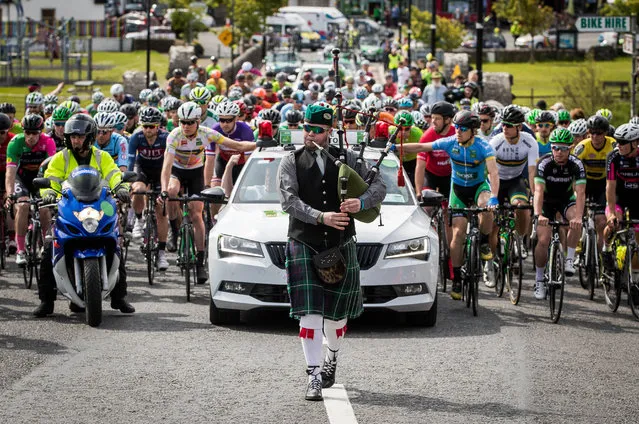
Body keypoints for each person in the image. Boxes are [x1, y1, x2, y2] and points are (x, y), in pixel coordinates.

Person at [277, 102, 386, 401]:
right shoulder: (291, 161)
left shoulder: (348, 158)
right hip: (303, 241)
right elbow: (289, 201)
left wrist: (360, 203)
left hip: (340, 243)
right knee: (309, 314)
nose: (311, 135)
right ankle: (313, 374)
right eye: (307, 129)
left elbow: (380, 186)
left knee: (336, 317)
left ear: (329, 131)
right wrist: (321, 216)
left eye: (318, 130)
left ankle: (331, 357)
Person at [34, 114, 135, 317]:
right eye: (72, 136)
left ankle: (120, 296)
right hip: (70, 207)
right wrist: (49, 193)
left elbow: (115, 174)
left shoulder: (102, 157)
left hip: (100, 206)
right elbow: (50, 178)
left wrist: (122, 188)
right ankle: (46, 300)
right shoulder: (61, 157)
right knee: (48, 248)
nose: (75, 140)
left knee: (115, 241)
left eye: (79, 136)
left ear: (89, 137)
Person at [403, 110, 499, 300]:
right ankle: (456, 277)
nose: (458, 131)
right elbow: (422, 146)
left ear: (473, 131)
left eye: (462, 129)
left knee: (486, 207)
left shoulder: (483, 147)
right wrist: (397, 147)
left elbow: (494, 173)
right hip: (458, 191)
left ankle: (484, 241)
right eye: (456, 127)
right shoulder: (450, 143)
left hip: (479, 187)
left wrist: (495, 197)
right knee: (457, 232)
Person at [158, 102, 257, 283]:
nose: (186, 126)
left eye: (190, 122)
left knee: (196, 213)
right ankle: (174, 232)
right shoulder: (174, 135)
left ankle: (200, 263)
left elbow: (238, 145)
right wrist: (164, 191)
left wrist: (259, 143)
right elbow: (166, 167)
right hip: (178, 171)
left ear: (198, 121)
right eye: (182, 122)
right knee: (172, 192)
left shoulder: (207, 133)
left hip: (196, 172)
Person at [533, 128, 586, 299]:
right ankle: (539, 280)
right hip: (546, 202)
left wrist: (578, 217)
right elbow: (538, 192)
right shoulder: (544, 163)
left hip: (565, 199)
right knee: (543, 239)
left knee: (577, 219)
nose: (559, 152)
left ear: (570, 148)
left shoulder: (576, 164)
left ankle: (569, 258)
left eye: (563, 148)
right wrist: (538, 214)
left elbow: (581, 192)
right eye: (555, 147)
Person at [488, 105, 538, 285]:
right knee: (492, 224)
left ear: (519, 127)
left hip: (515, 181)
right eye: (503, 124)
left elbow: (532, 172)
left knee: (522, 208)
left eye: (509, 125)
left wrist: (533, 195)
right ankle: (489, 264)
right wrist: (493, 196)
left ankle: (519, 240)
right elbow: (491, 172)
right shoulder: (496, 142)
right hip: (496, 181)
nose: (504, 128)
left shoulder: (530, 141)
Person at [5, 114, 56, 265]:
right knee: (22, 205)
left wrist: (53, 192)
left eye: (35, 133)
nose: (31, 136)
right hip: (22, 179)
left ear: (41, 132)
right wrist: (10, 194)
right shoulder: (15, 142)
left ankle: (45, 245)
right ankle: (20, 250)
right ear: (23, 131)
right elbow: (10, 172)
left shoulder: (48, 142)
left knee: (44, 209)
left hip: (41, 179)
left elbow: (53, 171)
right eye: (28, 132)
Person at [127, 107, 170, 268]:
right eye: (145, 126)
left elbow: (170, 161)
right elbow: (131, 162)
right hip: (142, 168)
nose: (147, 130)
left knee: (161, 210)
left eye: (151, 126)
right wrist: (128, 180)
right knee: (138, 190)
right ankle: (139, 219)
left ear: (158, 126)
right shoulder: (136, 136)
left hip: (160, 170)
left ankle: (161, 253)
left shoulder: (166, 137)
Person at [572, 115, 615, 251]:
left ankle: (601, 252)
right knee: (578, 213)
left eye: (599, 133)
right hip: (585, 182)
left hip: (603, 183)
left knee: (601, 220)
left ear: (606, 133)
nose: (595, 137)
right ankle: (579, 240)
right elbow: (573, 171)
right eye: (592, 133)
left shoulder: (613, 145)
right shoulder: (582, 147)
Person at [602, 124, 639, 279]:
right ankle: (607, 248)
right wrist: (611, 213)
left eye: (623, 142)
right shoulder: (613, 156)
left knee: (638, 242)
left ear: (635, 143)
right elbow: (610, 186)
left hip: (637, 198)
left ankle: (635, 279)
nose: (619, 145)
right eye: (617, 141)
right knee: (613, 223)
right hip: (618, 197)